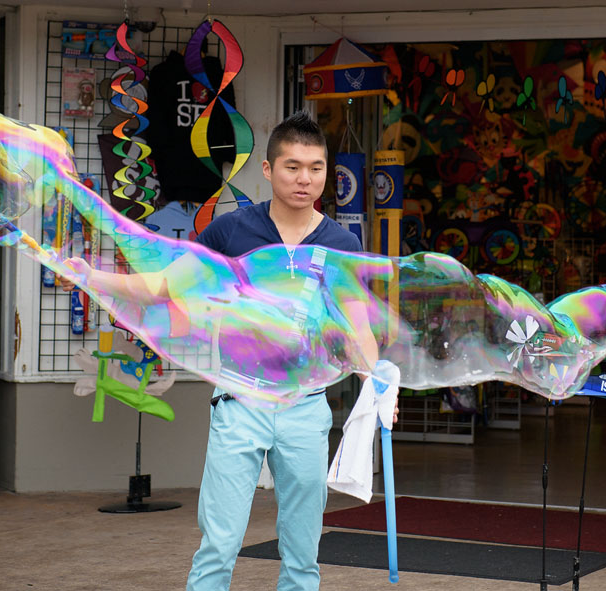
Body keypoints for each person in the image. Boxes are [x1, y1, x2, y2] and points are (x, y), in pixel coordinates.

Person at [62, 111, 395, 590]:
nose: (305, 179)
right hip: (239, 402)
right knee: (219, 545)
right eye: (293, 166)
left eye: (316, 168)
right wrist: (93, 278)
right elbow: (164, 286)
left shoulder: (342, 243)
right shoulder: (231, 232)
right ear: (267, 169)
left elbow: (357, 325)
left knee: (303, 553)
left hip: (305, 408)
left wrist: (377, 382)